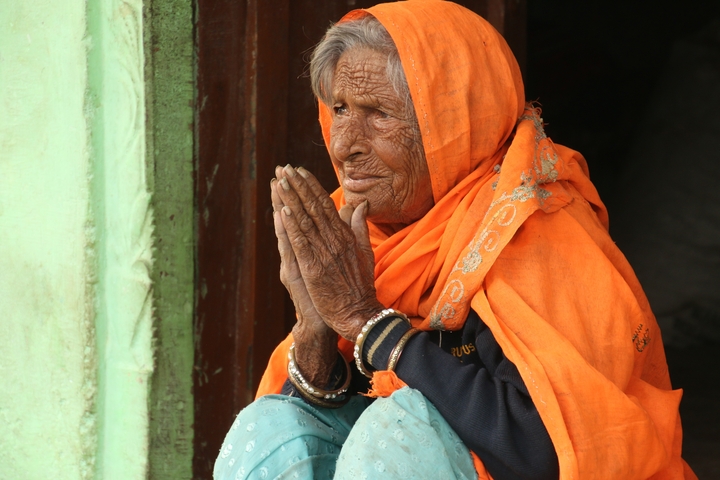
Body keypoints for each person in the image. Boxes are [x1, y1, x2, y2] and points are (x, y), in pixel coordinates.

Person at [214, 2, 695, 479]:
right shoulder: (363, 238)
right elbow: (322, 421)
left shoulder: (537, 237)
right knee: (272, 426)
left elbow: (545, 450)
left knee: (398, 432)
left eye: (378, 114)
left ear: (456, 123)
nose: (343, 144)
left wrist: (366, 321)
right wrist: (317, 328)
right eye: (339, 109)